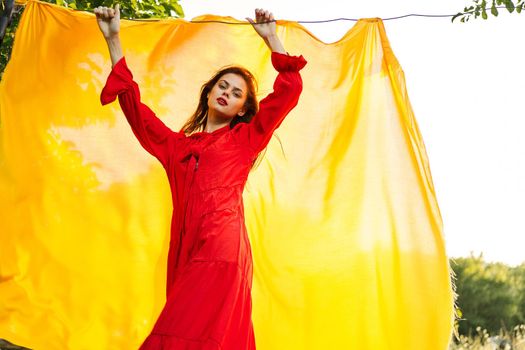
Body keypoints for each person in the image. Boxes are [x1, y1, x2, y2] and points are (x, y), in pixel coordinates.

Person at [95, 4, 307, 349]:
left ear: (242, 109)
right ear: (208, 92)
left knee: (183, 334)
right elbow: (135, 108)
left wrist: (272, 39)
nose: (227, 93)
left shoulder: (245, 139)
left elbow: (289, 90)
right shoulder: (175, 147)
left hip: (222, 248)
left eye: (237, 93)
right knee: (202, 335)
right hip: (185, 249)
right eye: (223, 86)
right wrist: (113, 38)